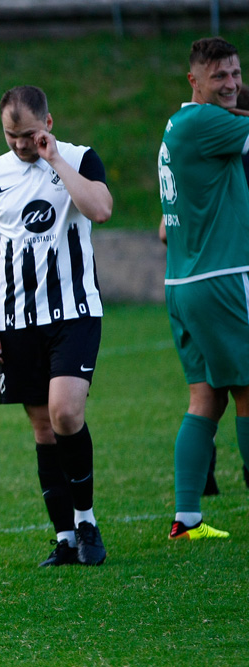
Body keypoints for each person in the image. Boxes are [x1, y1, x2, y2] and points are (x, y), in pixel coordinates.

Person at [0, 85, 112, 567]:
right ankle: (65, 537)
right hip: (18, 321)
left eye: (28, 135)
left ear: (47, 124)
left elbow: (101, 209)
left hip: (75, 312)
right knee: (42, 428)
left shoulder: (79, 158)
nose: (20, 145)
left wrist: (56, 163)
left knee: (66, 412)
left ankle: (88, 520)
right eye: (11, 136)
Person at [157, 37, 249, 540]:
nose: (231, 84)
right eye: (219, 77)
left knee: (205, 400)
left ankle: (187, 517)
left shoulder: (179, 123)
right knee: (248, 392)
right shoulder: (208, 122)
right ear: (194, 81)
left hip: (182, 280)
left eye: (236, 73)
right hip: (221, 278)